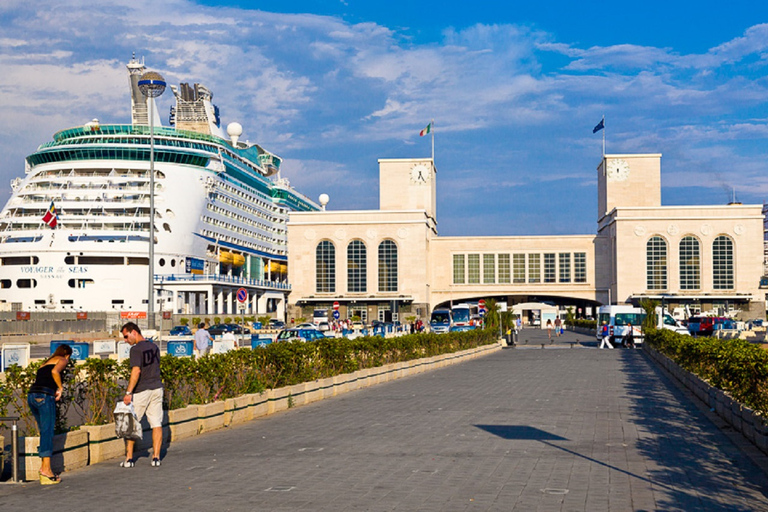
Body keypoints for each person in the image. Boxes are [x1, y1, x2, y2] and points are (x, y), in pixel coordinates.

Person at [27, 344, 72, 484]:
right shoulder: (62, 359)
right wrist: (60, 387)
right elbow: (54, 372)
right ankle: (46, 470)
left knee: (43, 431)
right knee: (47, 432)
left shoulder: (44, 363)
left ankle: (44, 467)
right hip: (45, 396)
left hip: (32, 395)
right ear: (67, 354)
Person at [121, 322, 164, 468]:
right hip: (157, 387)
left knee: (132, 424)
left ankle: (129, 459)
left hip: (142, 390)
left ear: (134, 332)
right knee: (156, 423)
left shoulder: (136, 349)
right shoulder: (154, 346)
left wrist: (128, 392)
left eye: (126, 336)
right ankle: (156, 457)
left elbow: (136, 371)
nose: (126, 340)